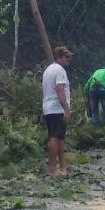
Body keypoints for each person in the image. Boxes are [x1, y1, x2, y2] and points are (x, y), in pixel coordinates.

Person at [41, 46, 73, 176]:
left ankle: (63, 167)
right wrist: (66, 109)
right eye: (66, 57)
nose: (68, 60)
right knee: (55, 138)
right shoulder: (59, 71)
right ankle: (51, 169)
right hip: (57, 109)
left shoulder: (48, 70)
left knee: (59, 138)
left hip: (49, 108)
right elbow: (60, 91)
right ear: (59, 57)